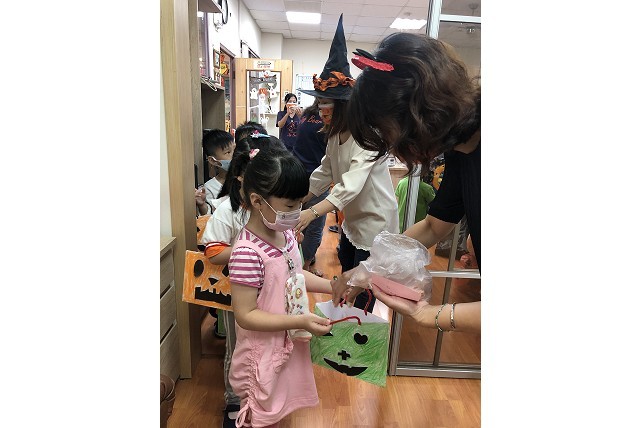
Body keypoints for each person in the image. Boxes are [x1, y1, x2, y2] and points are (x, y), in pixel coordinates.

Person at [334, 32, 481, 332]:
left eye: (387, 133)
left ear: (416, 117)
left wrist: (430, 315)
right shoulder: (460, 151)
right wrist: (367, 270)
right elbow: (433, 226)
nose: (391, 147)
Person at [295, 14, 399, 313]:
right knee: (346, 270)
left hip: (375, 222)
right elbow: (323, 172)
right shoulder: (334, 135)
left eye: (326, 105)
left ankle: (360, 327)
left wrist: (311, 212)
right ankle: (346, 318)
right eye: (319, 104)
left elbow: (350, 186)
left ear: (343, 106)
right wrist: (299, 200)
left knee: (363, 285)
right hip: (353, 219)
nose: (321, 111)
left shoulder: (366, 136)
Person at [227, 146, 333, 428]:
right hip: (262, 354)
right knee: (261, 415)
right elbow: (245, 315)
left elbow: (294, 274)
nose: (297, 212)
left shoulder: (284, 233)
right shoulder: (247, 254)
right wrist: (300, 321)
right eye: (289, 206)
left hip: (285, 342)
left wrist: (333, 286)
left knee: (279, 411)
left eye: (300, 204)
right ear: (257, 201)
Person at [200, 134, 285, 428]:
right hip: (236, 291)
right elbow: (212, 252)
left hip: (270, 292)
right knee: (238, 349)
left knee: (266, 345)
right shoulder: (228, 210)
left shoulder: (273, 210)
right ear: (241, 177)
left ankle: (263, 396)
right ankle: (234, 402)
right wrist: (249, 248)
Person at [291, 99, 327, 276]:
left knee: (299, 223)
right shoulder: (322, 119)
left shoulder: (307, 115)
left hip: (300, 174)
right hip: (313, 175)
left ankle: (299, 266)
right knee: (312, 227)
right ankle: (303, 269)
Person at [196, 129, 236, 215]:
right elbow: (209, 215)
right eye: (228, 152)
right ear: (213, 160)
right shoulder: (209, 188)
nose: (234, 155)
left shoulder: (243, 179)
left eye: (235, 150)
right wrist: (202, 205)